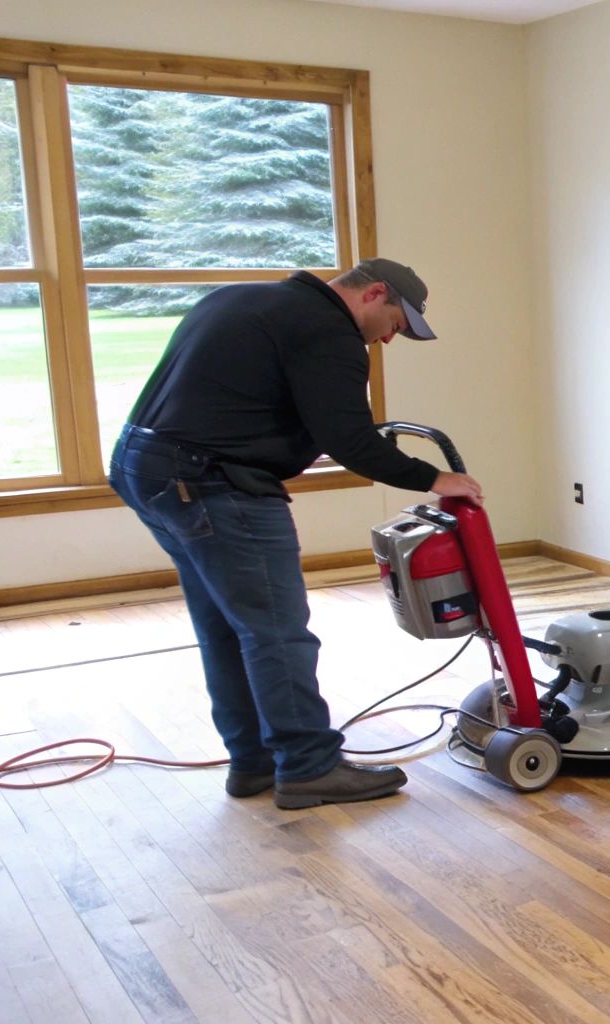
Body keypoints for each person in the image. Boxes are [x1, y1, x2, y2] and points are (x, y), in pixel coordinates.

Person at [108, 259, 483, 810]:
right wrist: (434, 477)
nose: (388, 339)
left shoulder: (243, 300)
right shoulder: (327, 332)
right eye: (394, 324)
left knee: (230, 627)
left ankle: (254, 761)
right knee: (278, 632)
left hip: (146, 469)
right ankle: (308, 767)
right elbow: (349, 440)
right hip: (214, 482)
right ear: (374, 293)